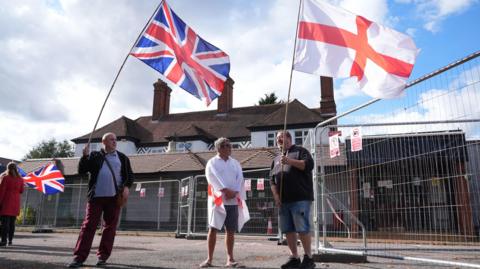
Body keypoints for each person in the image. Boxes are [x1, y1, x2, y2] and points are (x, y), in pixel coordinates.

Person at [68, 132, 134, 268]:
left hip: (114, 197)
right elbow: (82, 170)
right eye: (111, 139)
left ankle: (103, 257)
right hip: (96, 197)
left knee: (110, 228)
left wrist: (127, 187)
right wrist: (84, 156)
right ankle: (78, 258)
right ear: (104, 142)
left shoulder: (123, 158)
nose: (115, 142)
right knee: (88, 226)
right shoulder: (94, 156)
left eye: (116, 139)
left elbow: (129, 176)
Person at [200, 137, 249, 268]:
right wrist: (225, 190)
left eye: (229, 145)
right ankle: (209, 259)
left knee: (231, 230)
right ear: (219, 148)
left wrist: (235, 191)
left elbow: (240, 178)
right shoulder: (212, 162)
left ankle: (230, 259)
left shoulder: (235, 163)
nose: (229, 148)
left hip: (233, 200)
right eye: (225, 145)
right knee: (213, 228)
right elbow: (212, 177)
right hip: (218, 200)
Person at [270, 131, 315, 269]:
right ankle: (294, 257)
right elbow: (272, 180)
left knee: (302, 228)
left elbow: (307, 165)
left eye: (281, 137)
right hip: (284, 201)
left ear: (289, 138)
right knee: (288, 230)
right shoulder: (276, 159)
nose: (279, 140)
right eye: (277, 139)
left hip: (300, 198)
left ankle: (308, 258)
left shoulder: (300, 151)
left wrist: (289, 161)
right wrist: (276, 196)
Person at [0, 162, 24, 247]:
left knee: (4, 223)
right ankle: (10, 240)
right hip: (16, 203)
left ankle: (3, 241)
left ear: (8, 168)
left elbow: (1, 191)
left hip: (6, 202)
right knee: (12, 223)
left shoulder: (6, 178)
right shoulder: (21, 179)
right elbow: (21, 190)